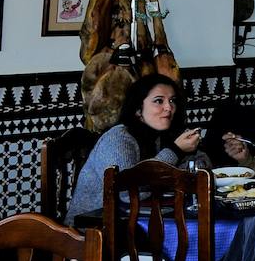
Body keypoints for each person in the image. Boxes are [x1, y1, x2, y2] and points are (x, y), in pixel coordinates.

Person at [67, 73, 209, 225]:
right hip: (91, 231)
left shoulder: (164, 133)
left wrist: (192, 155)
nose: (169, 107)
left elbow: (204, 166)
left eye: (172, 100)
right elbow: (128, 193)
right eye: (159, 101)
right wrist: (175, 151)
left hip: (141, 222)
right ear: (138, 110)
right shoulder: (118, 139)